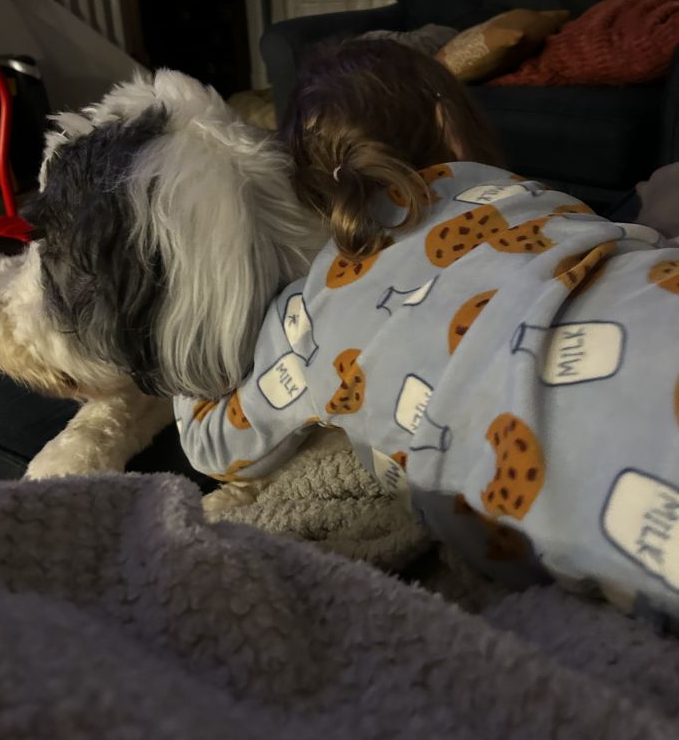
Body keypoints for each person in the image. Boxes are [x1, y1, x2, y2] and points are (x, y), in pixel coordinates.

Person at [175, 37, 679, 621]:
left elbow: (212, 446)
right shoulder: (529, 199)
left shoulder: (306, 311)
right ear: (450, 122)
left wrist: (189, 326)